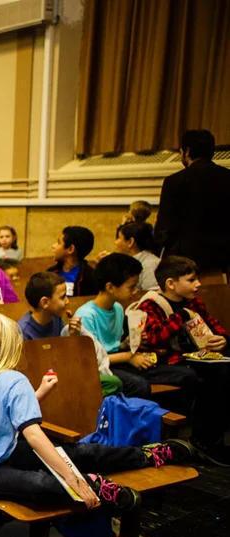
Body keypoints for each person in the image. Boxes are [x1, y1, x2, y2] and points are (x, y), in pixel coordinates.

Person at [0, 311, 190, 509]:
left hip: (1, 453)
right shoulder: (5, 380)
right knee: (43, 482)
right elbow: (33, 435)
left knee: (78, 453)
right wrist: (70, 476)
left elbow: (5, 415)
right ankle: (96, 482)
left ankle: (146, 455)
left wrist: (38, 393)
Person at [134, 255, 229, 463]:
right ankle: (204, 440)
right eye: (191, 280)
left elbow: (212, 325)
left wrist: (222, 339)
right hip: (163, 362)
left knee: (223, 367)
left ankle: (215, 436)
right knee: (209, 375)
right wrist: (182, 316)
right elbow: (155, 338)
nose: (198, 284)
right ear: (171, 283)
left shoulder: (193, 301)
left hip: (196, 357)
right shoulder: (151, 305)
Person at [75, 253, 197, 401]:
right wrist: (129, 356)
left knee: (187, 375)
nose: (135, 292)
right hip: (103, 368)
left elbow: (114, 346)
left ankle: (172, 415)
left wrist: (128, 343)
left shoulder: (117, 308)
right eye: (131, 287)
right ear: (110, 287)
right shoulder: (87, 315)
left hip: (122, 361)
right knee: (139, 385)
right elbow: (91, 360)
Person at [155, 129, 230, 273]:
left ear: (187, 151)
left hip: (186, 261)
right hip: (223, 260)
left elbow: (164, 226)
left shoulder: (175, 181)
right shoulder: (227, 177)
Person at [17, 272, 84, 341]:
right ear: (45, 302)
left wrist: (72, 335)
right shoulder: (23, 332)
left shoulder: (57, 320)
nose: (67, 301)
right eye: (62, 297)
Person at [48, 226, 98, 297]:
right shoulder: (50, 273)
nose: (53, 246)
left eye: (59, 243)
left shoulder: (90, 278)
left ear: (70, 249)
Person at [115, 221, 160, 292]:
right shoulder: (124, 261)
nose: (115, 242)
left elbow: (151, 294)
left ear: (130, 242)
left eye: (119, 238)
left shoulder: (150, 264)